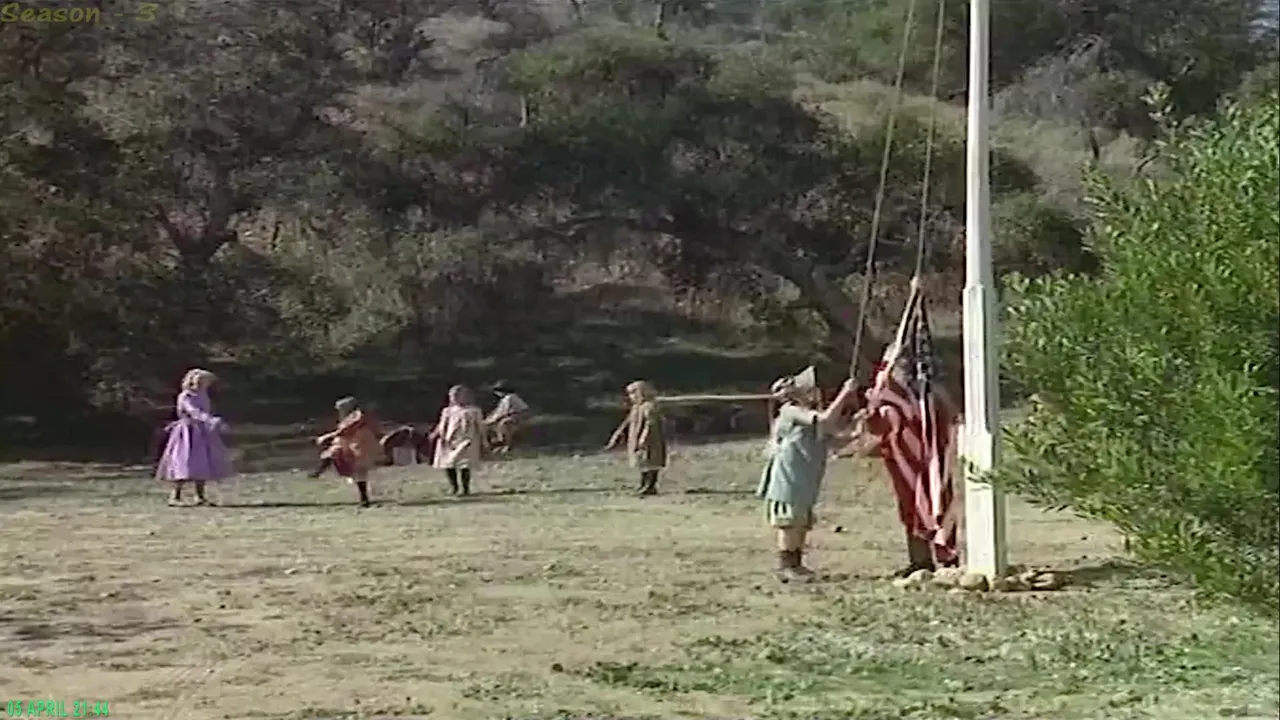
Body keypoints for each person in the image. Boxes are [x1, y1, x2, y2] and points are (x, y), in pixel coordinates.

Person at [757, 368, 860, 582]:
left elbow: (836, 440)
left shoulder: (808, 414)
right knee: (790, 522)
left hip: (806, 477)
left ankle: (796, 564)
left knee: (800, 522)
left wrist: (859, 427)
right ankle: (787, 566)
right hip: (790, 475)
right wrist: (845, 393)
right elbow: (824, 420)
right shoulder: (791, 411)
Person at [155, 368, 233, 507]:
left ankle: (200, 496)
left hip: (202, 432)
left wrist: (211, 422)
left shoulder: (203, 395)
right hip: (188, 432)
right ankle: (175, 496)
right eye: (204, 382)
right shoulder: (186, 396)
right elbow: (194, 411)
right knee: (183, 462)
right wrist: (210, 420)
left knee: (202, 462)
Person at [310, 396, 385, 507]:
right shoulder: (350, 417)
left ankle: (364, 499)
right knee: (334, 454)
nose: (339, 411)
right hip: (351, 445)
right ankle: (319, 471)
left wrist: (326, 437)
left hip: (360, 445)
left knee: (359, 471)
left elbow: (347, 430)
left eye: (340, 408)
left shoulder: (357, 416)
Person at [605, 380, 668, 496]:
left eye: (633, 393)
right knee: (641, 462)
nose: (631, 397)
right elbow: (627, 421)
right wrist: (617, 435)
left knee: (651, 461)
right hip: (636, 437)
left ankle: (650, 486)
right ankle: (643, 484)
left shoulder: (649, 406)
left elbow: (651, 422)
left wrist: (644, 437)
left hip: (651, 439)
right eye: (629, 394)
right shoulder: (636, 407)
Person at [431, 385, 486, 496]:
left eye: (458, 395)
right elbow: (442, 424)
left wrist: (484, 441)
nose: (455, 398)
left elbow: (480, 426)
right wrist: (438, 435)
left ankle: (465, 488)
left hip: (467, 440)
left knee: (464, 464)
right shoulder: (447, 411)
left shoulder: (473, 411)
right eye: (452, 396)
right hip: (449, 440)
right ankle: (454, 487)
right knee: (449, 464)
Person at [485, 380, 532, 455]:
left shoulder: (510, 398)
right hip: (512, 415)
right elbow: (497, 411)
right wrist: (489, 419)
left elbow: (503, 412)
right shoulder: (504, 399)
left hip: (519, 415)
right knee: (492, 426)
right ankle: (496, 443)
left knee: (504, 423)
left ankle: (507, 444)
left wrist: (492, 420)